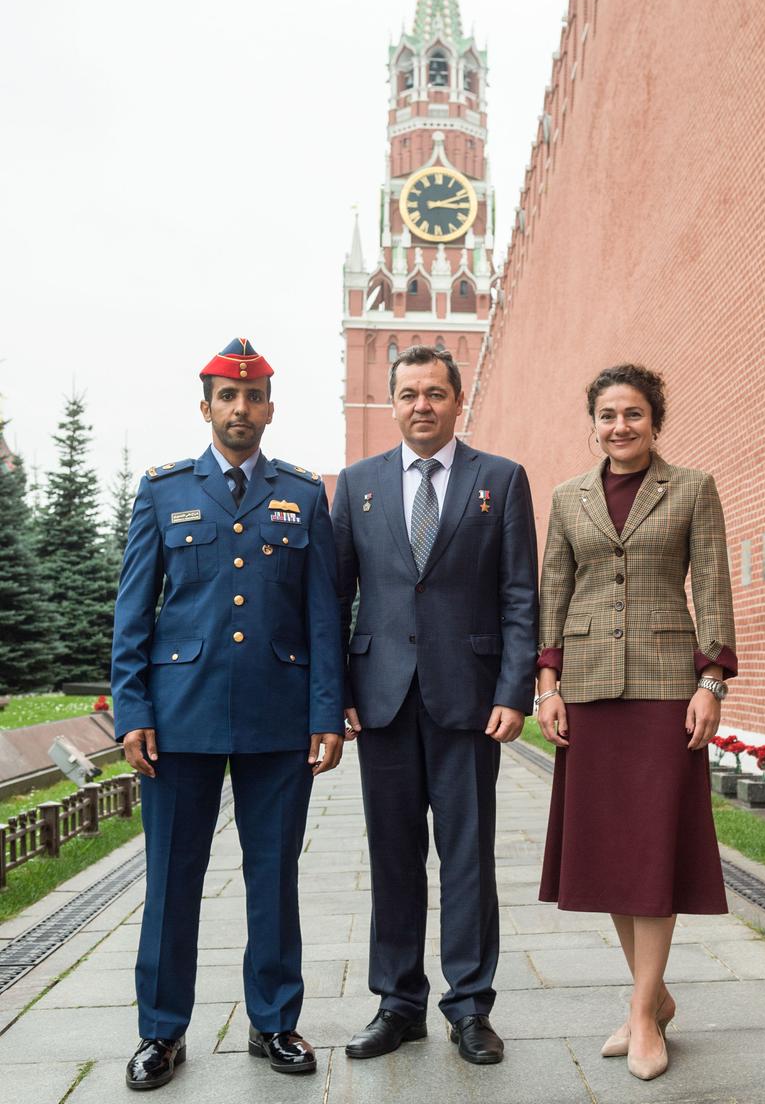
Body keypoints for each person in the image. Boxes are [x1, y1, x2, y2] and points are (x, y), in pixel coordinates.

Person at [111, 338, 344, 1090]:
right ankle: (161, 1031)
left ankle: (273, 1021)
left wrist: (325, 714)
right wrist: (132, 710)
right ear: (205, 406)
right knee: (172, 879)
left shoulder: (305, 495)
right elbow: (132, 616)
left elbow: (323, 616)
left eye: (252, 398)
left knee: (272, 876)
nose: (239, 409)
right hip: (179, 721)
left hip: (278, 721)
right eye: (225, 396)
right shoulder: (162, 491)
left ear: (269, 409)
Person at [331, 345, 538, 1066]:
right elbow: (334, 598)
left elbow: (519, 595)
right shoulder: (355, 485)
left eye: (435, 393)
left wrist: (516, 691)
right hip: (380, 700)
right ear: (391, 403)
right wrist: (336, 697)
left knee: (467, 859)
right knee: (392, 857)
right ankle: (397, 1003)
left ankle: (471, 1006)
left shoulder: (501, 480)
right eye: (409, 393)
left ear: (457, 402)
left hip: (469, 700)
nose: (422, 404)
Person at [536, 363, 736, 1083]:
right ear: (592, 423)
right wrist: (546, 685)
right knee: (611, 855)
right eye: (607, 415)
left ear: (655, 421)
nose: (619, 426)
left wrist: (710, 681)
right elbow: (552, 590)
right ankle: (651, 999)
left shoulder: (690, 489)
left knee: (652, 851)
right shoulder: (566, 498)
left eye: (632, 414)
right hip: (587, 692)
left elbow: (711, 588)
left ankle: (642, 1010)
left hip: (663, 688)